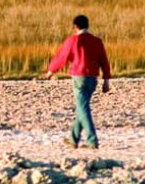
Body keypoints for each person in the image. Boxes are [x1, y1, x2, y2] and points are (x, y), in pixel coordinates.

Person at [43, 15, 112, 149]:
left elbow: (62, 57)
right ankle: (73, 138)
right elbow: (104, 61)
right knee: (82, 107)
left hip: (79, 77)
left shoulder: (73, 40)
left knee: (83, 108)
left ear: (75, 27)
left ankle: (92, 139)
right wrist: (106, 80)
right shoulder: (97, 41)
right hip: (92, 78)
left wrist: (51, 71)